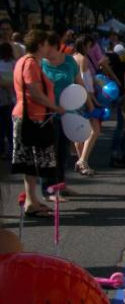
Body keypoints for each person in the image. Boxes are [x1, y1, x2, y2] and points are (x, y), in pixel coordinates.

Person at [11, 30, 65, 217]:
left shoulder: (25, 61)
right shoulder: (30, 64)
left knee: (30, 164)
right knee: (33, 163)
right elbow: (34, 91)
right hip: (32, 118)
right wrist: (55, 107)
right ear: (41, 44)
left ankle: (31, 200)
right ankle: (31, 200)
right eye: (47, 44)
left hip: (31, 116)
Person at [42, 32, 86, 193]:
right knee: (49, 153)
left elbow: (79, 83)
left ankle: (60, 185)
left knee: (62, 153)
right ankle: (48, 189)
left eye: (47, 47)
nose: (45, 51)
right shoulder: (40, 64)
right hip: (48, 115)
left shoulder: (69, 61)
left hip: (68, 114)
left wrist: (87, 104)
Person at [72, 35, 102, 176]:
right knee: (94, 129)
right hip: (84, 98)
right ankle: (83, 161)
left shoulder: (72, 58)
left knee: (79, 132)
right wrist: (93, 100)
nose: (90, 49)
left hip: (74, 98)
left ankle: (81, 161)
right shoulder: (82, 59)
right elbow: (84, 82)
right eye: (89, 46)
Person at [0, 42, 16, 159]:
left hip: (4, 99)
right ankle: (11, 149)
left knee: (4, 128)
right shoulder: (14, 63)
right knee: (10, 127)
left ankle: (4, 150)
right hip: (11, 99)